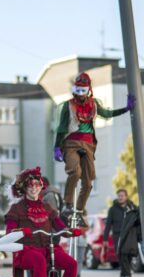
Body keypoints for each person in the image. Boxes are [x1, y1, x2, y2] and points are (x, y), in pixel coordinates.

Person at [54, 72, 135, 226]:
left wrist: (126, 109)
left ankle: (78, 211)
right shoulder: (68, 105)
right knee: (75, 171)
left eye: (83, 91)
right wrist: (57, 147)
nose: (80, 95)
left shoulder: (94, 104)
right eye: (77, 90)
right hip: (71, 142)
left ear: (88, 90)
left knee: (88, 182)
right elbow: (62, 127)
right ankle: (68, 205)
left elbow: (107, 113)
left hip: (88, 144)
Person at [5, 167, 76, 277]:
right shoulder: (16, 209)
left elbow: (59, 225)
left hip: (48, 249)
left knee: (71, 264)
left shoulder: (47, 207)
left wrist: (69, 231)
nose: (34, 188)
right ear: (24, 188)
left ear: (41, 187)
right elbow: (9, 233)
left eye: (37, 185)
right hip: (26, 251)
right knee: (39, 260)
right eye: (30, 185)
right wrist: (20, 231)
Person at [105, 189, 138, 277]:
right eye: (119, 195)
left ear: (126, 197)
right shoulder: (112, 209)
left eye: (122, 195)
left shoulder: (132, 207)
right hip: (117, 235)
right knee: (121, 254)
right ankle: (126, 275)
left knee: (128, 255)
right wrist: (105, 238)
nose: (120, 197)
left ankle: (124, 275)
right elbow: (108, 224)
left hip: (129, 234)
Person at [117, 206, 141, 277]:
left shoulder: (133, 215)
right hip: (125, 238)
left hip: (130, 238)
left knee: (125, 256)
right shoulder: (127, 214)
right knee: (124, 257)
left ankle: (126, 275)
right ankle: (125, 275)